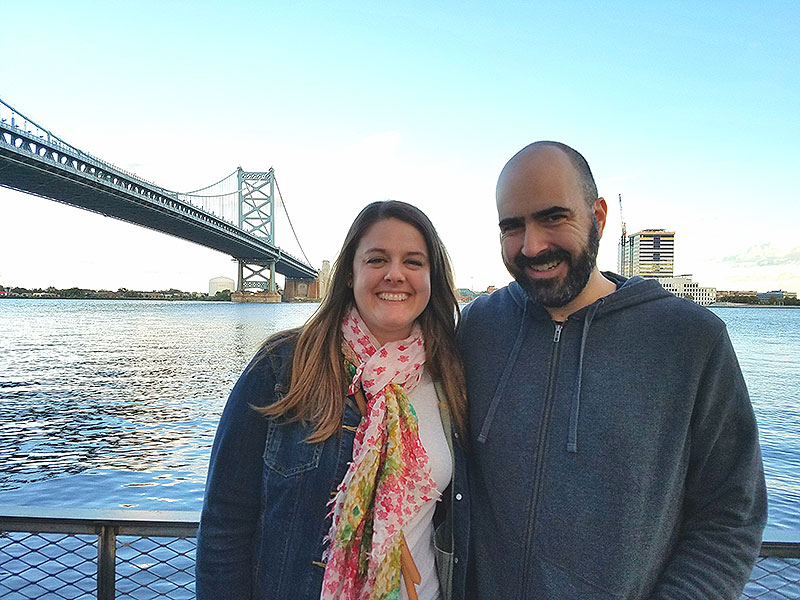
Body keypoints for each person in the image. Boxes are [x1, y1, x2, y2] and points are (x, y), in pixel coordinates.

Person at [458, 141, 767, 599]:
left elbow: (731, 513)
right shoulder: (478, 326)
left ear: (599, 217)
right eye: (512, 226)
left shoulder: (689, 339)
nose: (532, 245)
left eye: (553, 217)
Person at [196, 200, 469, 600]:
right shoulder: (282, 369)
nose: (395, 274)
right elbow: (225, 525)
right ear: (348, 275)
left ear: (432, 277)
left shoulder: (450, 374)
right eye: (377, 260)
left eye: (414, 262)